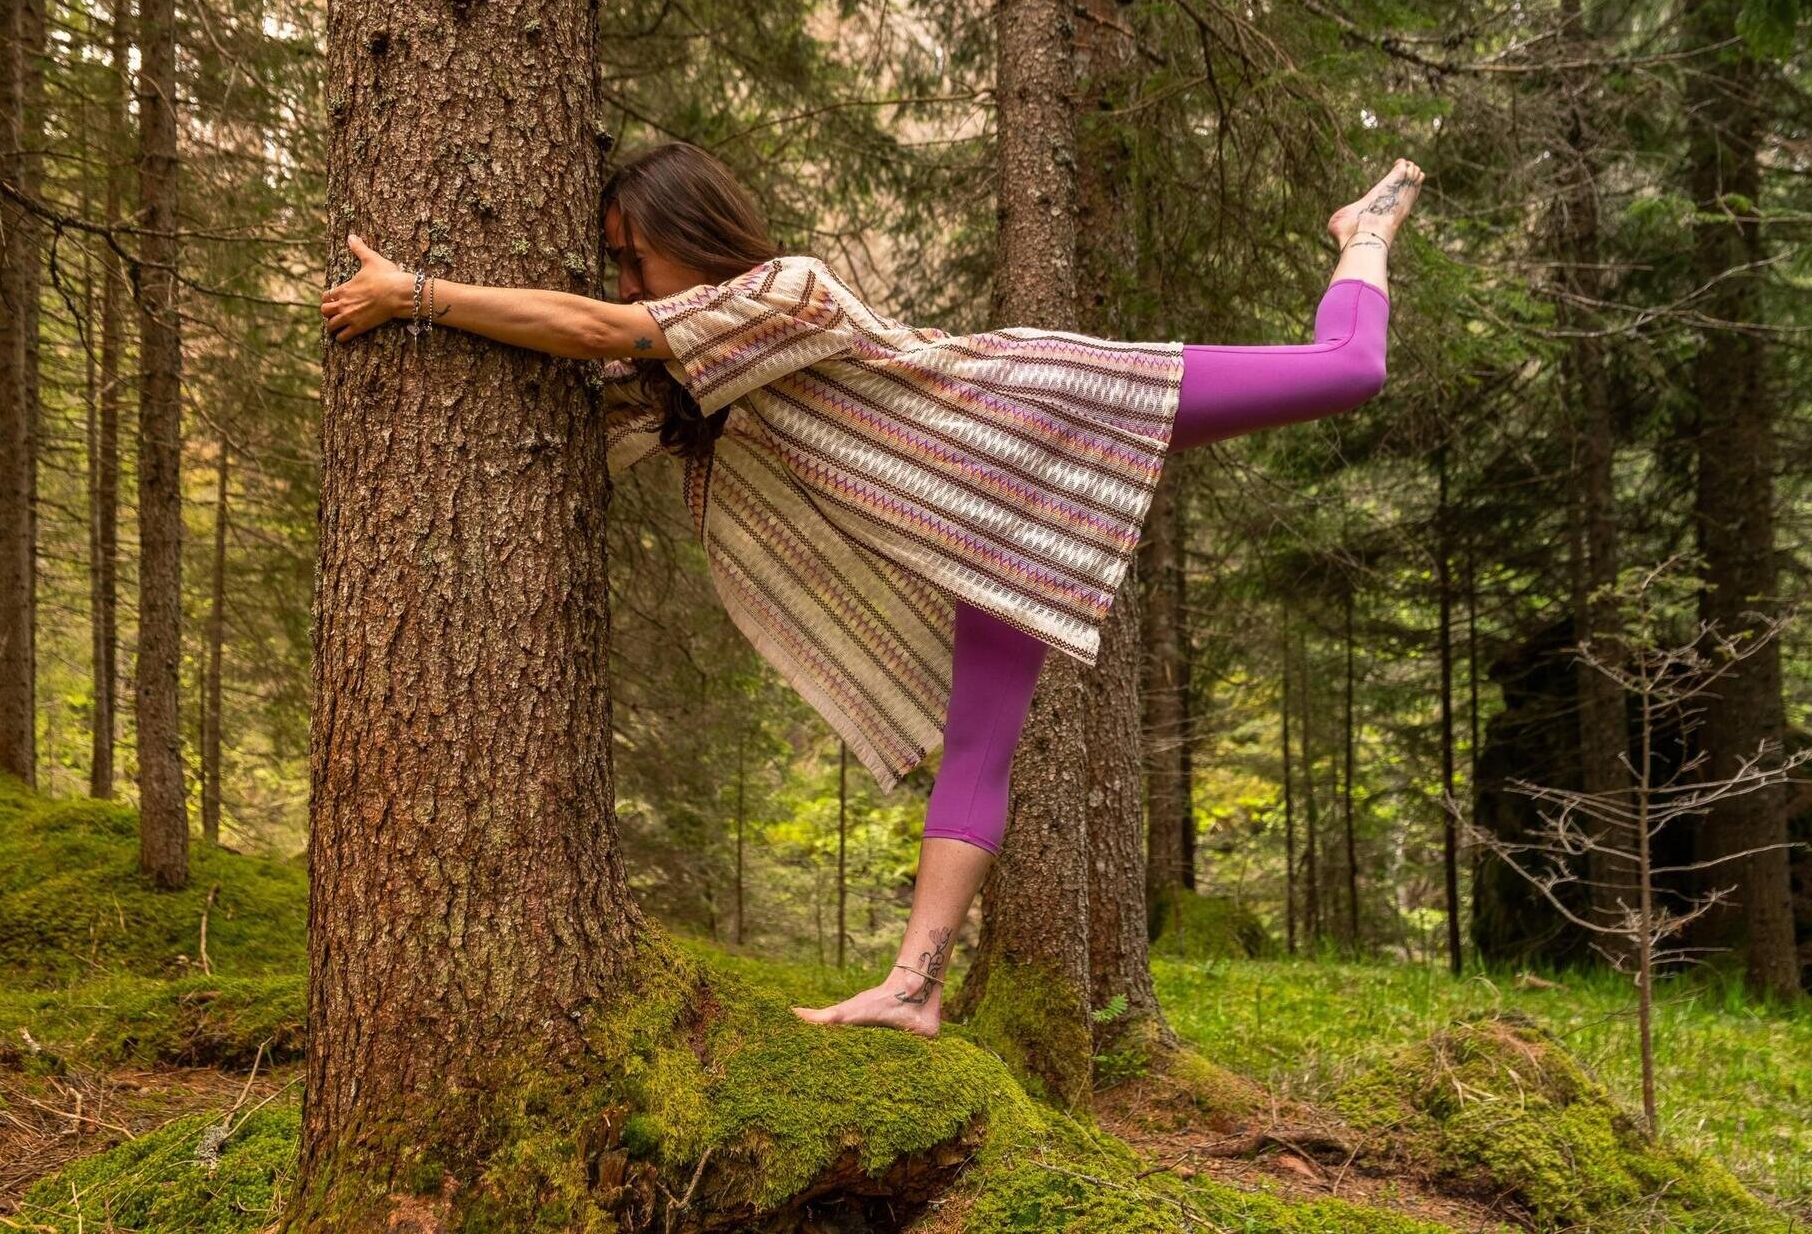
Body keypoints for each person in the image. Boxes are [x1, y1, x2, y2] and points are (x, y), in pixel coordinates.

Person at [320, 141, 1422, 1039]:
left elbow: (596, 330)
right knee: (978, 747)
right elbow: (590, 361)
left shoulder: (783, 290)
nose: (624, 282)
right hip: (980, 525)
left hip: (1030, 406)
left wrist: (414, 293)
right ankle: (913, 987)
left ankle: (1363, 231)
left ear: (688, 232)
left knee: (1347, 370)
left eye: (633, 256)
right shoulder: (689, 366)